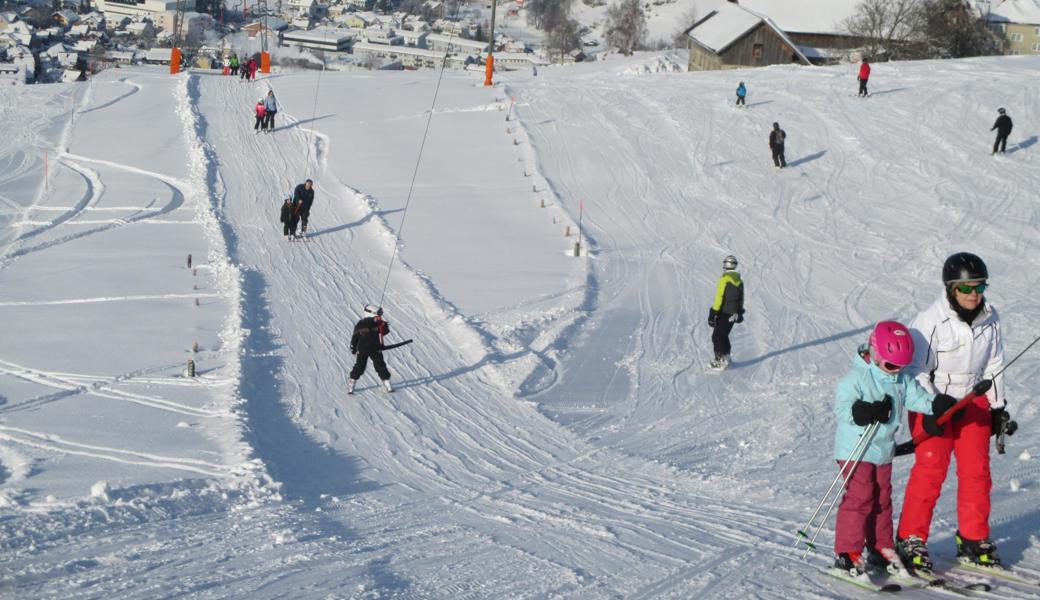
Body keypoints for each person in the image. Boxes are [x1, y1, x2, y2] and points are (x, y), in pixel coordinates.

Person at [896, 252, 1014, 573]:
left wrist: (998, 407)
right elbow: (915, 369)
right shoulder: (929, 321)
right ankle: (909, 537)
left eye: (979, 286)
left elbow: (994, 365)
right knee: (931, 469)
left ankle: (973, 538)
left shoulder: (991, 318)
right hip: (935, 401)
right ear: (951, 289)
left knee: (977, 471)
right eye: (966, 288)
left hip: (973, 398)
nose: (974, 294)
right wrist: (932, 404)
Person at [831, 321, 955, 578]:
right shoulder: (858, 377)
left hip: (882, 451)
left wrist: (937, 404)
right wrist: (861, 410)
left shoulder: (900, 379)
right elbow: (842, 407)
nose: (895, 371)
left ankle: (881, 548)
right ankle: (847, 552)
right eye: (890, 365)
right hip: (855, 449)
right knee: (861, 497)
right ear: (876, 354)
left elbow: (916, 398)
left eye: (901, 366)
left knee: (882, 500)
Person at [707, 255, 745, 370]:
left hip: (724, 312)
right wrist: (739, 313)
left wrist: (713, 312)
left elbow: (719, 297)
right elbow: (741, 298)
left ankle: (720, 360)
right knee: (723, 335)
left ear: (726, 265)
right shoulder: (739, 281)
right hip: (733, 314)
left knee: (717, 336)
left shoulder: (724, 280)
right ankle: (726, 356)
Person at [348, 305, 394, 394]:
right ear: (371, 314)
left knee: (380, 366)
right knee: (360, 367)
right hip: (363, 350)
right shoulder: (361, 324)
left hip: (375, 349)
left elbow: (384, 332)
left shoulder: (378, 323)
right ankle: (352, 381)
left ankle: (387, 381)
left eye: (380, 315)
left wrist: (384, 326)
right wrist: (353, 347)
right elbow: (355, 337)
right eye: (378, 315)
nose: (380, 317)